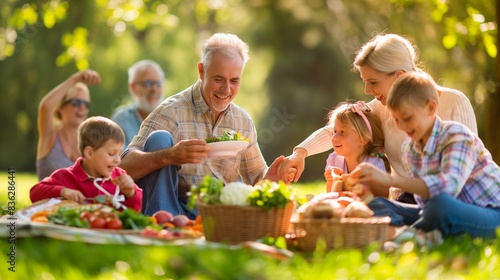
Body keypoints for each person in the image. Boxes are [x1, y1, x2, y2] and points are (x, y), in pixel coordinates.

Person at [278, 33, 477, 203]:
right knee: (368, 207)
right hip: (405, 200)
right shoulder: (380, 109)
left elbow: (464, 173)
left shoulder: (454, 102)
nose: (367, 90)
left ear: (399, 76)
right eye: (365, 82)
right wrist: (300, 153)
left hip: (451, 200)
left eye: (373, 82)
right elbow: (337, 130)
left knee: (435, 209)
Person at [119, 33, 291, 218]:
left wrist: (271, 177)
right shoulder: (172, 111)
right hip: (174, 210)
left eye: (234, 81)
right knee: (159, 139)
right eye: (218, 79)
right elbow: (124, 166)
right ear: (201, 71)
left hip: (219, 215)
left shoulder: (242, 121)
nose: (226, 90)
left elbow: (256, 178)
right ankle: (163, 224)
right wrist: (169, 156)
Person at [350, 71, 500, 239]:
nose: (401, 126)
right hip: (435, 210)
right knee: (377, 205)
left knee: (441, 207)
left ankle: (407, 235)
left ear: (431, 107)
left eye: (407, 118)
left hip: (490, 212)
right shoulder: (410, 148)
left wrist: (391, 180)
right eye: (396, 119)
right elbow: (424, 203)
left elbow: (448, 187)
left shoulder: (457, 135)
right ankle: (415, 232)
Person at [31, 116, 143, 212]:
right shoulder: (66, 176)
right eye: (111, 154)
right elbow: (35, 193)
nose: (118, 160)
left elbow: (138, 208)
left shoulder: (120, 177)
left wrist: (130, 193)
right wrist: (63, 191)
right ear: (89, 153)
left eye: (119, 154)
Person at [36, 70, 101, 181]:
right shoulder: (50, 135)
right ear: (61, 107)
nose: (82, 107)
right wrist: (75, 79)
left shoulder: (90, 145)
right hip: (49, 198)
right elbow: (45, 107)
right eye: (76, 102)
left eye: (86, 104)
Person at [323, 101, 390, 193]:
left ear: (363, 139)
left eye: (342, 132)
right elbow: (332, 195)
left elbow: (382, 197)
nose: (334, 138)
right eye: (334, 131)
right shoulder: (334, 160)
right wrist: (331, 182)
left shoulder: (373, 165)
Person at [111, 60, 165, 150]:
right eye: (148, 83)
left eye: (158, 83)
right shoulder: (122, 119)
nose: (154, 89)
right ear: (133, 88)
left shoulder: (171, 116)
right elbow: (121, 159)